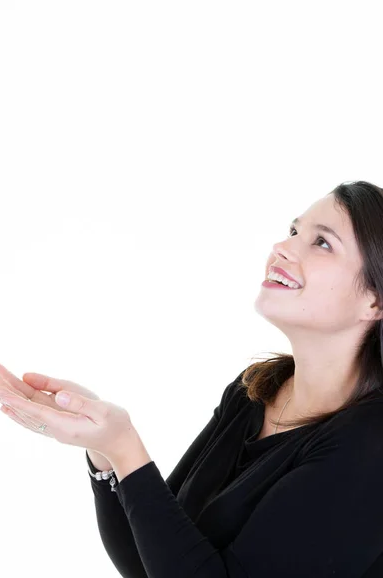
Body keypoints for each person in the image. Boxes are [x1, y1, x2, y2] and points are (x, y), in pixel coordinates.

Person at [83, 181, 383, 576]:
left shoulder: (372, 441)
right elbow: (151, 560)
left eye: (322, 243)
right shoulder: (254, 391)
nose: (283, 247)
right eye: (294, 231)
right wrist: (101, 449)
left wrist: (125, 448)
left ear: (374, 301)